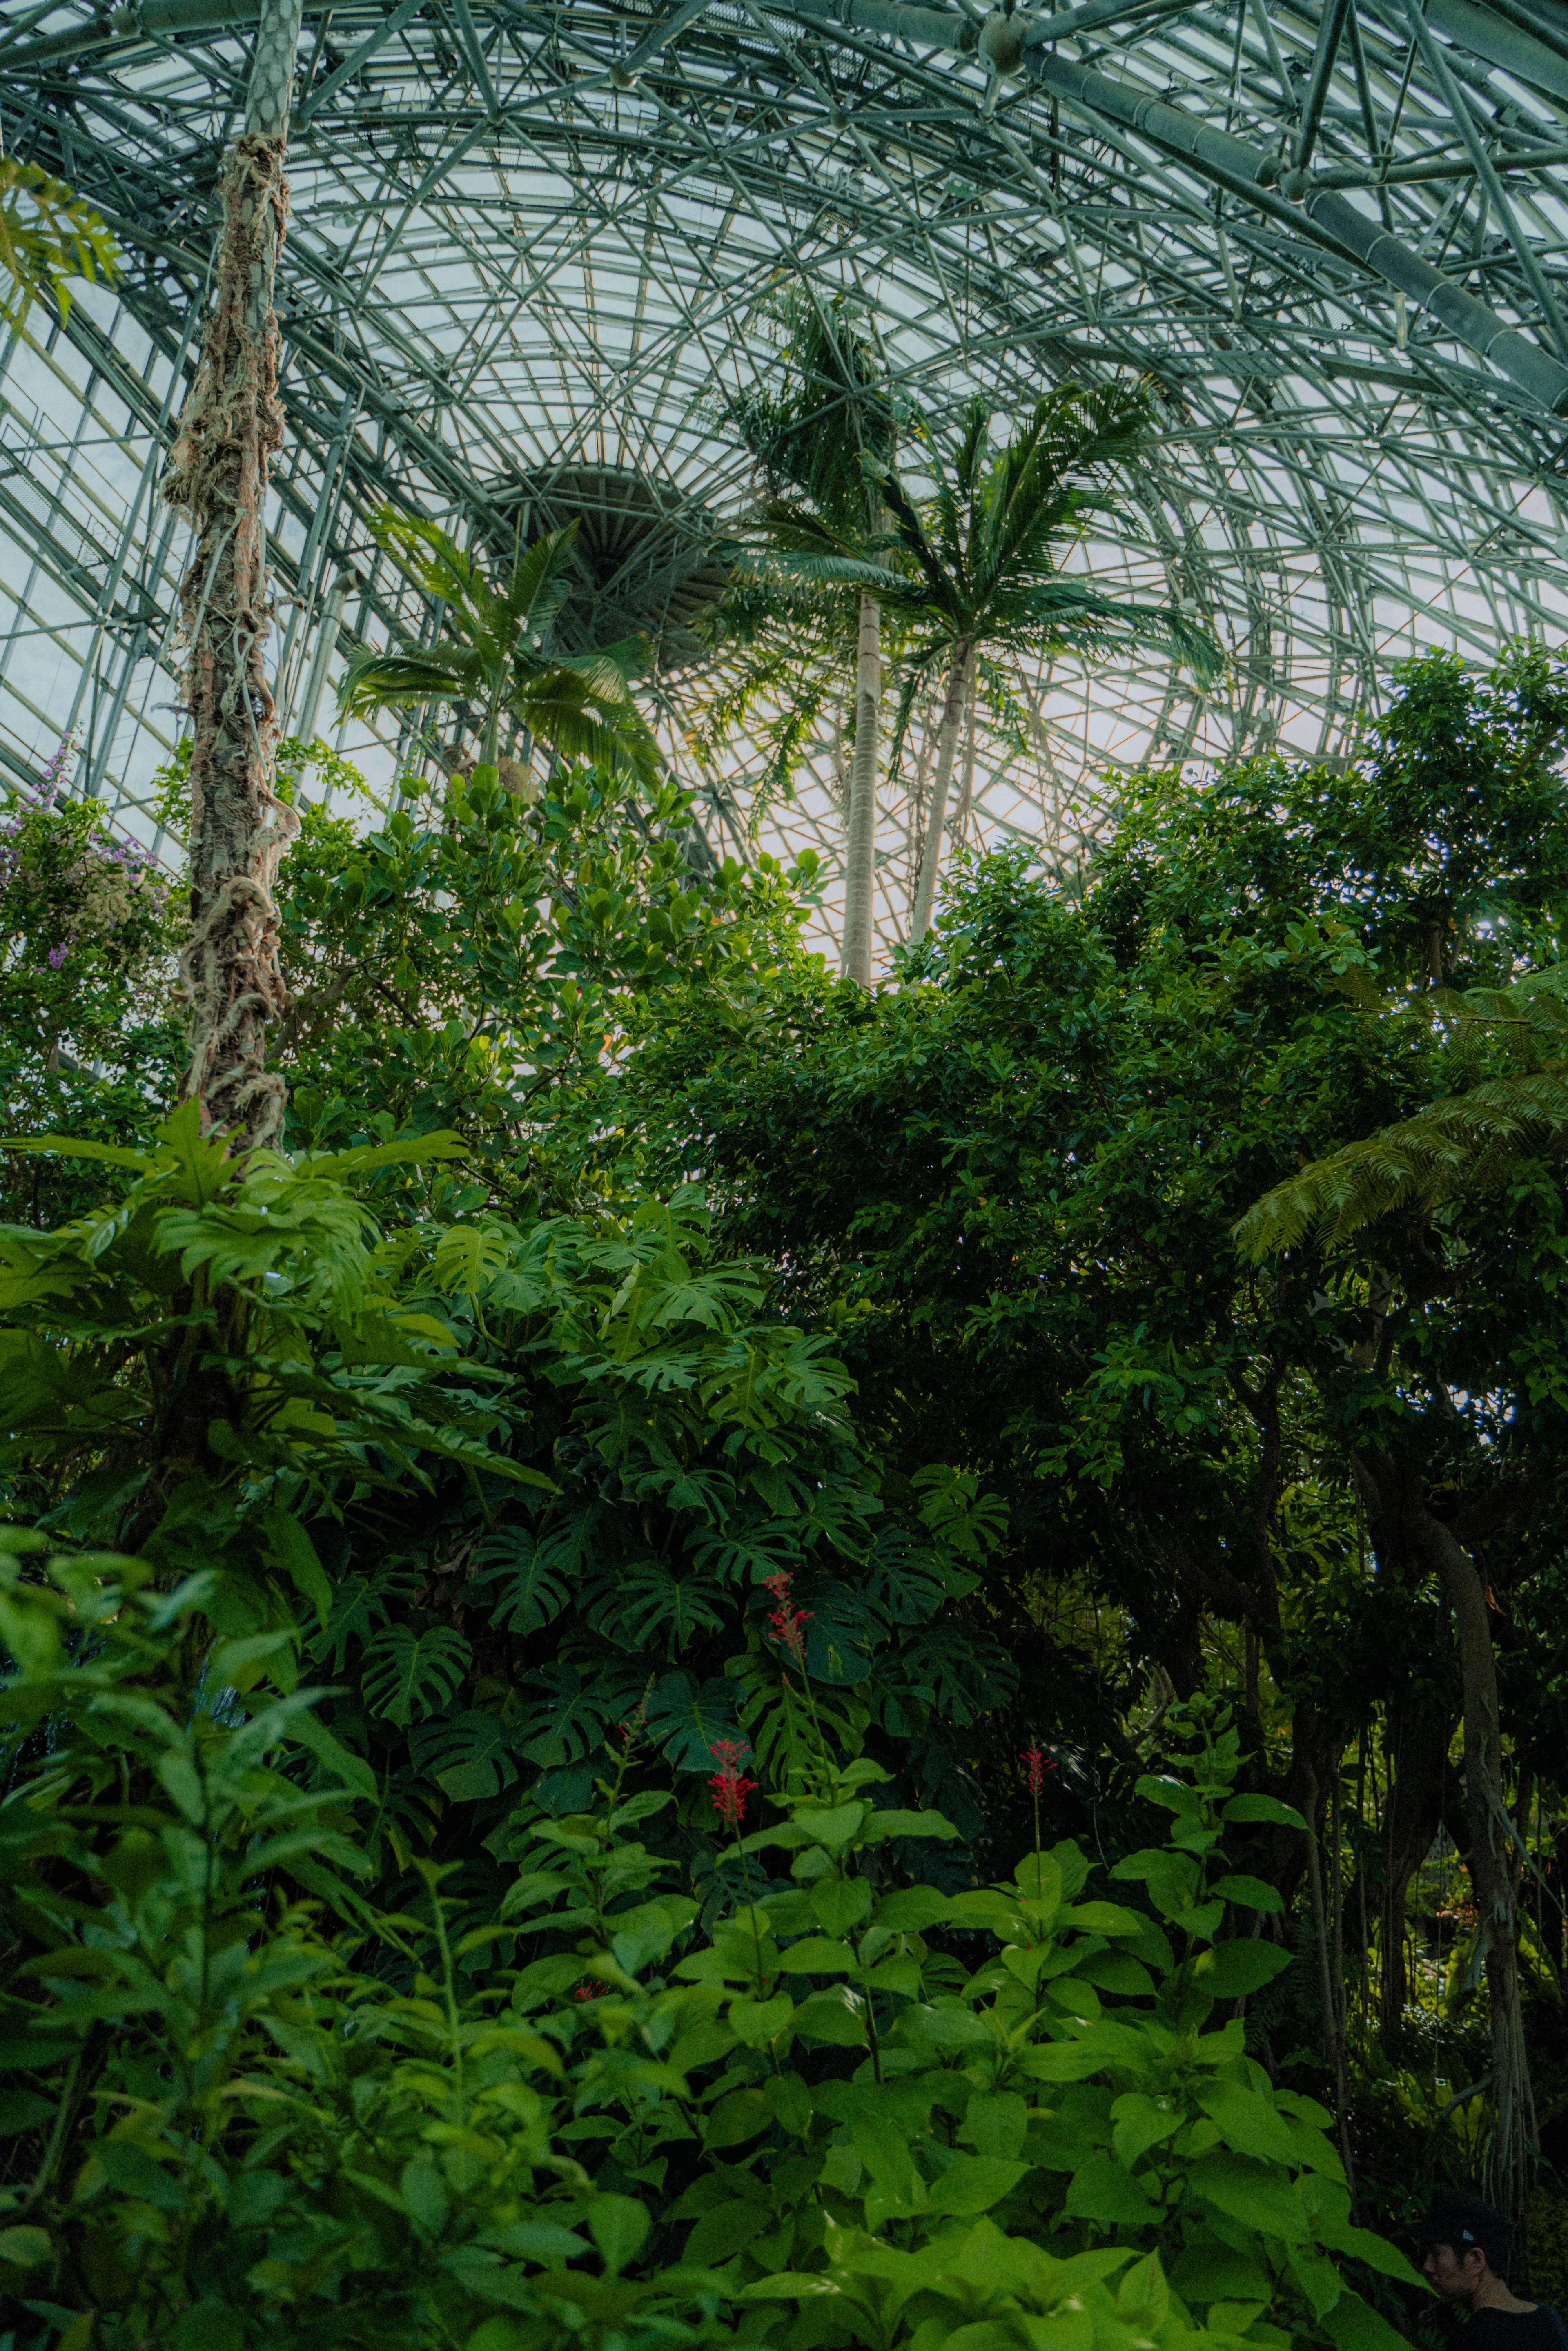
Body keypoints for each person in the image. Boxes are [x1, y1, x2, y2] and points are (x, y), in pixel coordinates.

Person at [1416, 2192, 1568, 2351]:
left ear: (1477, 2260)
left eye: (1436, 2254)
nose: (1427, 2267)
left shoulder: (1474, 2340)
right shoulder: (1550, 2321)